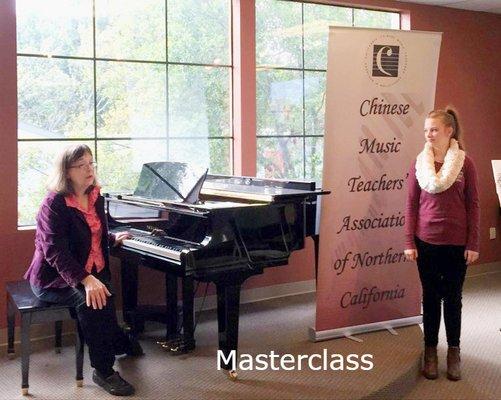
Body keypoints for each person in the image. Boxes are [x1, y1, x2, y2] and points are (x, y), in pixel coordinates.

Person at [24, 144, 142, 396]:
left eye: (91, 163)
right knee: (92, 301)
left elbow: (93, 232)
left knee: (105, 293)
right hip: (53, 278)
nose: (90, 169)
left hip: (86, 270)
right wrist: (85, 279)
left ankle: (118, 341)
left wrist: (112, 238)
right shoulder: (53, 204)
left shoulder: (95, 195)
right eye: (82, 165)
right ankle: (104, 371)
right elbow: (54, 251)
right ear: (67, 172)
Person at [404, 107, 480, 381]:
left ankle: (454, 352)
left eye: (434, 130)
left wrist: (473, 243)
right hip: (426, 243)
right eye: (426, 130)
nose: (429, 134)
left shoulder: (465, 163)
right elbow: (411, 205)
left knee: (454, 299)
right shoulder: (418, 163)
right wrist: (408, 241)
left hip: (457, 244)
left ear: (449, 131)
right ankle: (430, 352)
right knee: (431, 297)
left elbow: (473, 205)